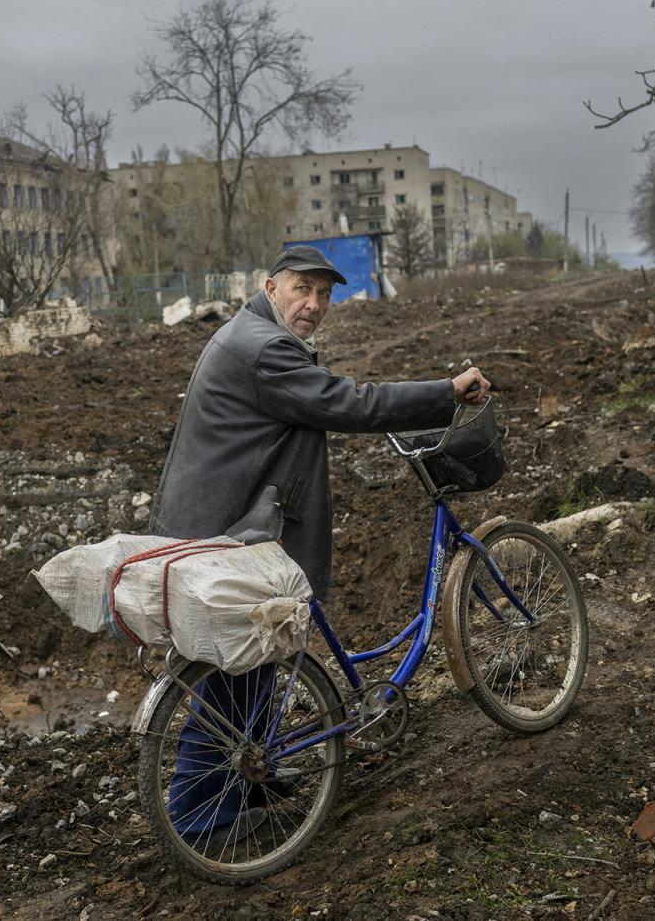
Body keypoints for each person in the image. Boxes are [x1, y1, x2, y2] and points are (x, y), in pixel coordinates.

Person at [150, 245, 490, 846]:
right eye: (302, 289)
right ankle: (200, 816)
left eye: (325, 294)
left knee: (254, 660)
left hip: (225, 518)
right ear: (270, 285)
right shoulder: (264, 348)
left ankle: (247, 779)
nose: (313, 305)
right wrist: (445, 392)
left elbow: (311, 406)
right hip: (226, 529)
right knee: (236, 671)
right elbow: (345, 402)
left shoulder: (252, 333)